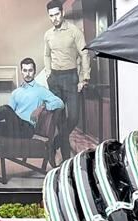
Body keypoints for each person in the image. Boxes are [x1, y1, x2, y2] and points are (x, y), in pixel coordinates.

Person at [43, 0, 89, 161]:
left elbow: (84, 54)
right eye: (51, 16)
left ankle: (53, 144)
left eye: (56, 14)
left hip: (71, 78)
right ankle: (64, 159)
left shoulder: (74, 31)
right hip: (55, 79)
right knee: (60, 121)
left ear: (62, 13)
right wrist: (48, 73)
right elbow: (46, 55)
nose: (54, 18)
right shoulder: (48, 35)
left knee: (74, 117)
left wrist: (84, 78)